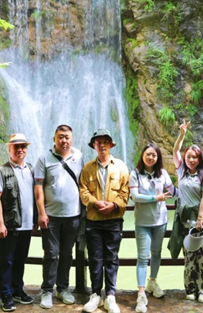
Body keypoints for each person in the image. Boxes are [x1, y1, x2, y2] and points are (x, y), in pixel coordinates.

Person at [79, 129, 129, 313]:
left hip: (114, 220)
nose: (101, 145)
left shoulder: (121, 167)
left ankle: (110, 295)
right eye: (98, 142)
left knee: (111, 258)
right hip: (93, 220)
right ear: (94, 145)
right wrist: (95, 202)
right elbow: (83, 191)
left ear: (110, 144)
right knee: (95, 258)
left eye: (105, 142)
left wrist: (114, 205)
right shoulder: (87, 168)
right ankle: (95, 295)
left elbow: (125, 192)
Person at [34, 125, 84, 309]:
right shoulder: (44, 158)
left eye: (67, 137)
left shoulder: (78, 156)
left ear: (72, 139)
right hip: (51, 217)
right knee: (50, 254)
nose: (64, 140)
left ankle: (63, 288)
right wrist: (41, 213)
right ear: (54, 138)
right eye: (60, 137)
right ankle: (47, 290)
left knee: (66, 254)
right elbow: (38, 187)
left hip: (73, 216)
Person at [168, 119, 203, 303]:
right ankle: (190, 288)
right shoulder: (181, 172)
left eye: (194, 157)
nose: (191, 160)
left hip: (201, 217)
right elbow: (175, 151)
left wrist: (200, 218)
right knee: (188, 256)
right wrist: (182, 134)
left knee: (202, 256)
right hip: (184, 218)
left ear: (199, 158)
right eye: (188, 156)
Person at [0, 134, 36, 312]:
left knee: (20, 260)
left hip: (26, 225)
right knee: (7, 261)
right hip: (9, 225)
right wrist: (0, 223)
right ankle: (6, 294)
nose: (20, 150)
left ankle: (18, 289)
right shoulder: (1, 172)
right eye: (16, 146)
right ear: (9, 149)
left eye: (23, 146)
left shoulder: (31, 169)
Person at [130, 144, 175, 313]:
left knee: (156, 253)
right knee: (143, 257)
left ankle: (152, 281)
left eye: (154, 155)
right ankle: (141, 293)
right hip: (142, 222)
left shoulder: (162, 174)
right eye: (148, 154)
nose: (151, 158)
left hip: (160, 221)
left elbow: (173, 191)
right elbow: (135, 197)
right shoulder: (134, 174)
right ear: (142, 155)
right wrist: (155, 197)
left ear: (158, 158)